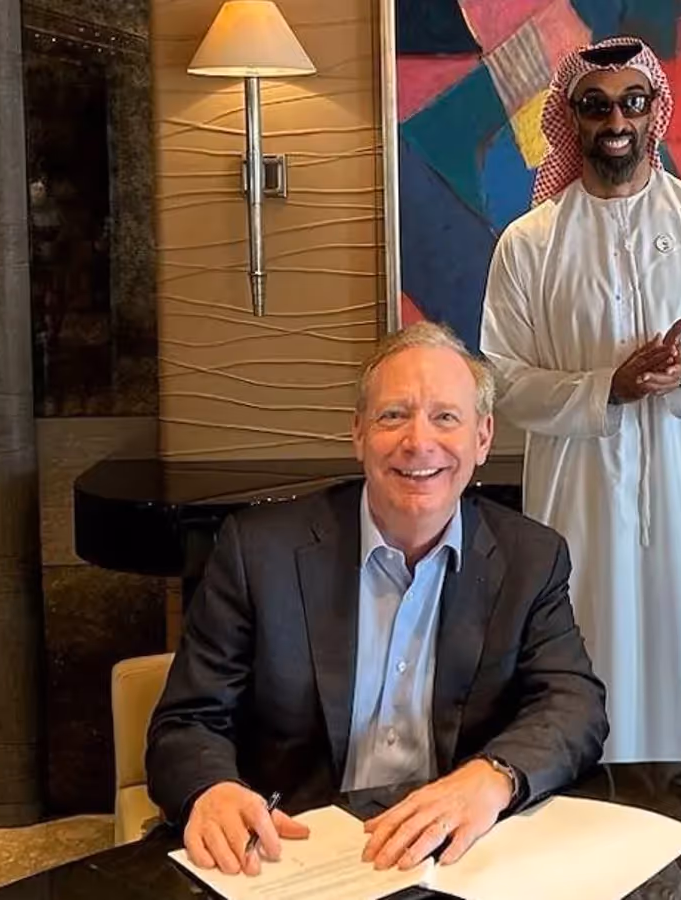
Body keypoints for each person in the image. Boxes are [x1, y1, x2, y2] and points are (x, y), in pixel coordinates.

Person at [147, 322, 608, 876]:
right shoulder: (259, 551)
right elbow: (187, 722)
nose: (419, 442)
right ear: (358, 432)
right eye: (394, 415)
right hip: (294, 857)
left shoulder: (530, 558)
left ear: (482, 438)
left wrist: (491, 776)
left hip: (454, 860)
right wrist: (211, 789)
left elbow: (573, 705)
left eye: (446, 417)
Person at [480, 35, 681, 762]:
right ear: (571, 119)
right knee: (581, 649)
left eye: (631, 102)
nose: (615, 119)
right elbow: (504, 379)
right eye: (596, 105)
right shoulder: (529, 243)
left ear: (653, 113)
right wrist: (603, 388)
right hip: (577, 499)